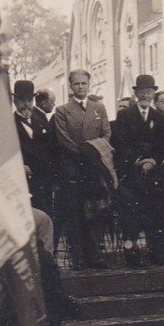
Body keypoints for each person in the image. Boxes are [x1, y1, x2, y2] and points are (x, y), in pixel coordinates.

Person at [53, 69, 112, 269]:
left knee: (95, 212)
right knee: (76, 213)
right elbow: (63, 138)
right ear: (71, 86)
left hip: (94, 167)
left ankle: (95, 254)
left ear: (89, 84)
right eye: (76, 84)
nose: (80, 87)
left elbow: (106, 133)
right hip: (74, 168)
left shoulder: (99, 108)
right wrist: (82, 155)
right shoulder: (62, 111)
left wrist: (95, 153)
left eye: (84, 84)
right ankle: (78, 257)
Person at [112, 74, 164, 267]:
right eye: (142, 91)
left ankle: (157, 252)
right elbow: (120, 144)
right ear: (136, 93)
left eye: (149, 91)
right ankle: (131, 252)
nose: (146, 94)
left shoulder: (159, 117)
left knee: (156, 214)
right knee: (131, 216)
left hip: (153, 174)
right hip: (132, 175)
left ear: (153, 93)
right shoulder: (124, 115)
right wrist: (138, 161)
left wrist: (154, 160)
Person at [12, 80, 57, 217]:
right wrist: (19, 166)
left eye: (29, 100)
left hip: (43, 184)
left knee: (44, 220)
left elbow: (52, 151)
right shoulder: (8, 125)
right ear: (14, 101)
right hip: (21, 184)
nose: (26, 104)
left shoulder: (43, 123)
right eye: (22, 100)